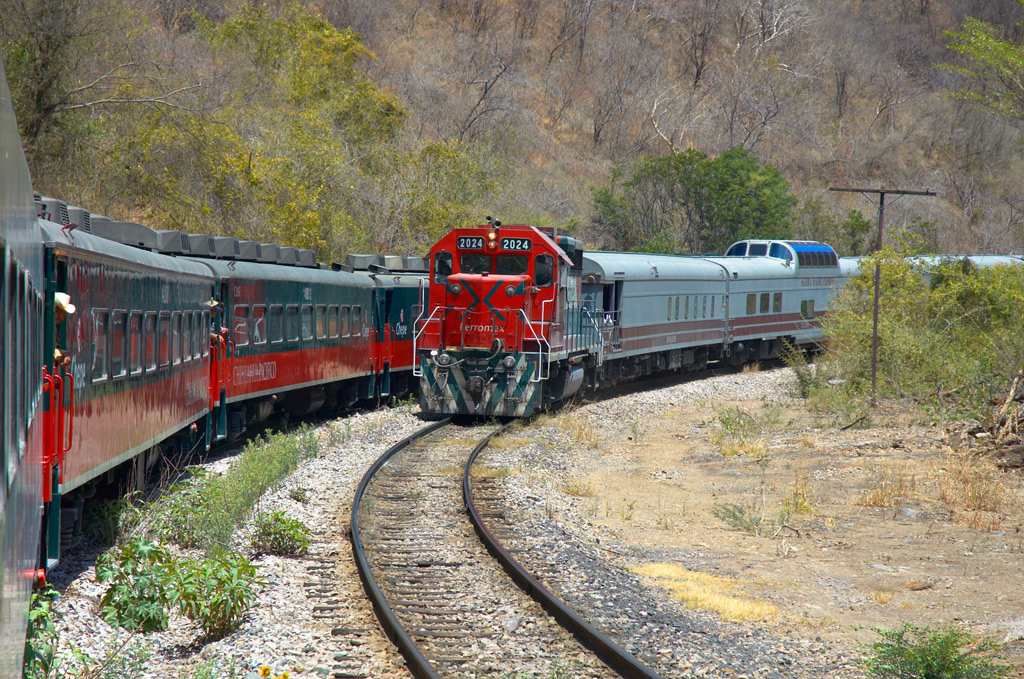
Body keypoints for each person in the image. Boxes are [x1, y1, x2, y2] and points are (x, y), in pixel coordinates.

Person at [54, 292, 75, 367]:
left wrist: (64, 354)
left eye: (63, 313)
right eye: (57, 311)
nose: (60, 316)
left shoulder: (54, 327)